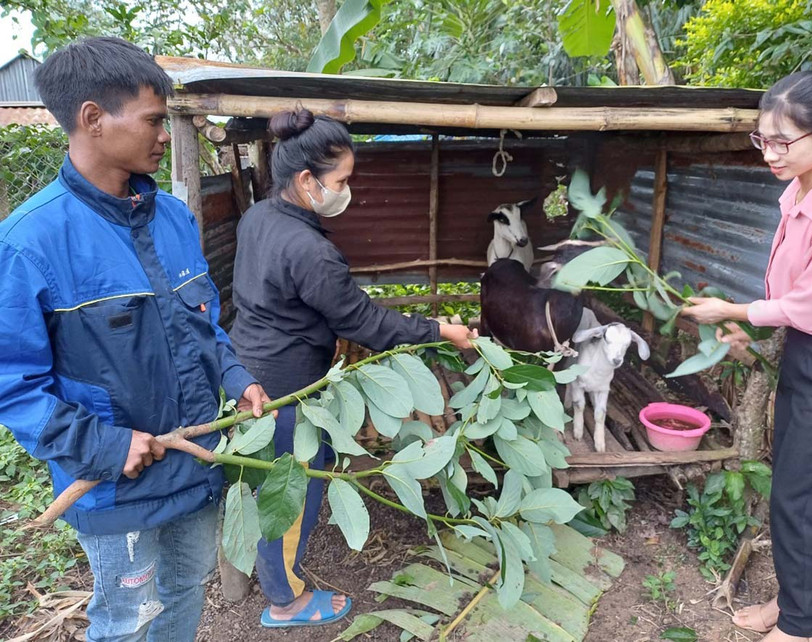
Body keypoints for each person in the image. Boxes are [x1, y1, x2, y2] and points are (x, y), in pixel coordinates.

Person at [0, 37, 273, 641]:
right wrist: (102, 444)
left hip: (196, 463)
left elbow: (202, 327)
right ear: (93, 119)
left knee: (184, 594)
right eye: (153, 120)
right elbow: (12, 386)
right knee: (126, 618)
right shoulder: (29, 242)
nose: (163, 135)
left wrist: (236, 377)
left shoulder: (173, 216)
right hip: (113, 488)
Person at [230, 108, 474, 627]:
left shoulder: (259, 217)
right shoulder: (309, 249)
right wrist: (439, 331)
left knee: (269, 490)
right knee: (292, 497)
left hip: (248, 368)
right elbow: (365, 322)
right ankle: (284, 602)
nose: (348, 192)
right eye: (341, 181)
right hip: (286, 393)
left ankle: (274, 577)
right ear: (306, 180)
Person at [681, 71, 812, 642]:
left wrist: (736, 311)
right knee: (793, 494)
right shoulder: (801, 189)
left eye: (783, 141)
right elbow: (794, 298)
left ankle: (802, 632)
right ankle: (800, 607)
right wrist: (754, 332)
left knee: (800, 501)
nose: (770, 153)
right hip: (809, 354)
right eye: (762, 139)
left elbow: (810, 303)